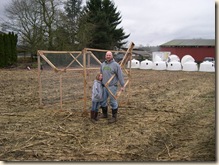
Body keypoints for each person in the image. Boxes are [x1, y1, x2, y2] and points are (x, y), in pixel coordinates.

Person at [100, 51, 125, 123]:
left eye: (109, 55)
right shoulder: (103, 64)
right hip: (104, 86)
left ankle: (114, 117)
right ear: (105, 56)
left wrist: (122, 85)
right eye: (107, 55)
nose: (108, 56)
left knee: (113, 101)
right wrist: (100, 83)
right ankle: (105, 114)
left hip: (112, 86)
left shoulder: (116, 65)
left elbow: (120, 76)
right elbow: (101, 74)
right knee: (103, 100)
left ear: (112, 56)